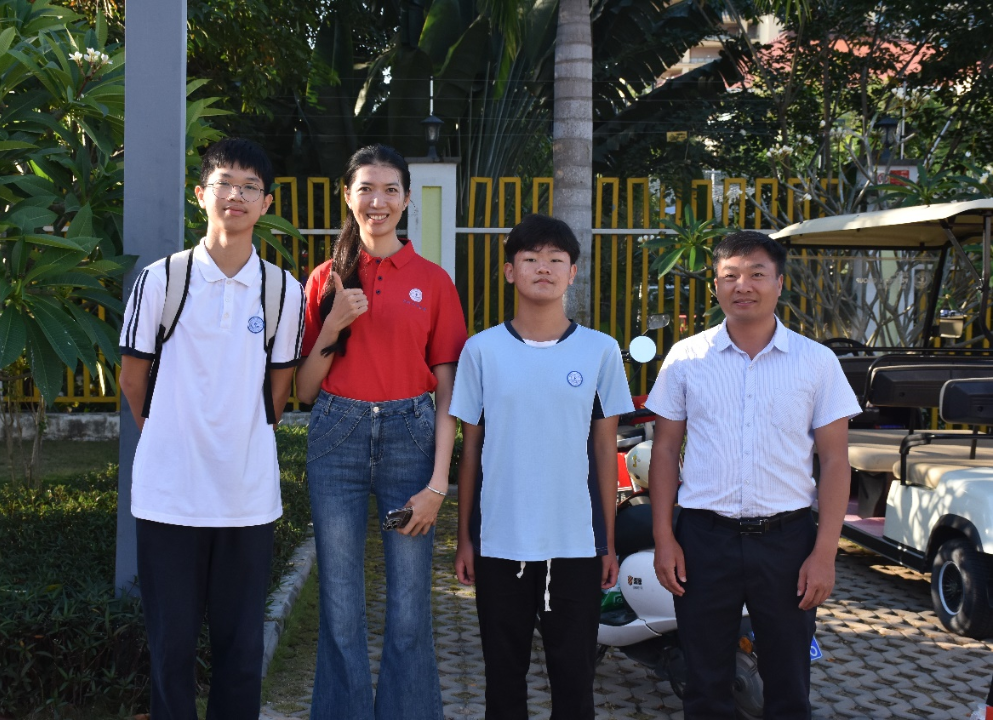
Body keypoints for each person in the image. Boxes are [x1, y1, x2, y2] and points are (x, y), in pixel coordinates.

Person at [118, 137, 306, 719]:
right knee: (171, 650)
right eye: (225, 183)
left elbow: (279, 391)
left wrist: (237, 436)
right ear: (200, 194)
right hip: (169, 497)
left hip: (246, 499)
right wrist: (168, 432)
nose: (236, 195)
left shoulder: (283, 290)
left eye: (251, 186)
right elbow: (132, 378)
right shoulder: (161, 280)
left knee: (241, 652)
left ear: (266, 203)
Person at [646, 230, 861, 719]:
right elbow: (665, 448)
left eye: (757, 274)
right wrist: (664, 537)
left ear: (779, 283)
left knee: (788, 686)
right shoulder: (686, 358)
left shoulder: (817, 362)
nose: (743, 286)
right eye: (730, 276)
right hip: (704, 541)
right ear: (716, 286)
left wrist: (825, 552)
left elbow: (834, 460)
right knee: (705, 686)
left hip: (787, 543)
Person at [295, 144, 467, 720]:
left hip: (409, 440)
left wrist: (438, 482)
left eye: (390, 189)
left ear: (407, 199)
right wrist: (333, 324)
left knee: (410, 608)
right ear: (347, 196)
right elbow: (304, 390)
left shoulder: (433, 281)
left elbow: (449, 390)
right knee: (340, 606)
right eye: (366, 188)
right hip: (336, 437)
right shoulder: (324, 280)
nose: (378, 201)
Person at [452, 213, 633, 720]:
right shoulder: (481, 350)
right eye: (531, 258)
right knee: (503, 679)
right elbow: (471, 451)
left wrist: (606, 542)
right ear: (510, 271)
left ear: (572, 272)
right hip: (499, 542)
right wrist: (465, 538)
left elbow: (606, 452)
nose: (544, 268)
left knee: (574, 682)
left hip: (574, 543)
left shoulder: (600, 351)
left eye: (556, 259)